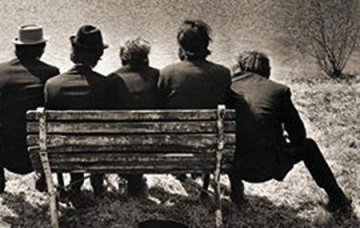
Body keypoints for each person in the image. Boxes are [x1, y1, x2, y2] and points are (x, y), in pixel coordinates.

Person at [230, 50, 352, 212]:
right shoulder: (279, 91)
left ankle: (236, 194)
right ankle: (338, 199)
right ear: (266, 71)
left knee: (235, 139)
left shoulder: (227, 88)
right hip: (269, 166)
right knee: (308, 146)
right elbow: (299, 136)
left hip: (233, 164)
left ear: (241, 67)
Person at [158, 20, 234, 190]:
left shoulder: (168, 73)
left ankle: (180, 171)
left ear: (181, 45)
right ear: (206, 44)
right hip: (210, 143)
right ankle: (203, 177)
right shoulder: (223, 73)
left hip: (176, 143)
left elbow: (160, 107)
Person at [0, 25, 59, 195]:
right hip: (35, 149)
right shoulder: (51, 72)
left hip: (4, 148)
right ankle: (42, 178)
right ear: (42, 48)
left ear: (17, 48)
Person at [45, 24, 113, 197]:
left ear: (73, 52)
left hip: (63, 152)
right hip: (98, 150)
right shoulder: (107, 85)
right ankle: (97, 183)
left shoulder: (53, 85)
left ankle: (75, 183)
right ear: (98, 56)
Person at [109, 37, 161, 196]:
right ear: (146, 58)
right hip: (153, 144)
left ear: (123, 57)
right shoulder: (158, 76)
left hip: (120, 145)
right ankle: (136, 181)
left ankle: (128, 179)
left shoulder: (112, 79)